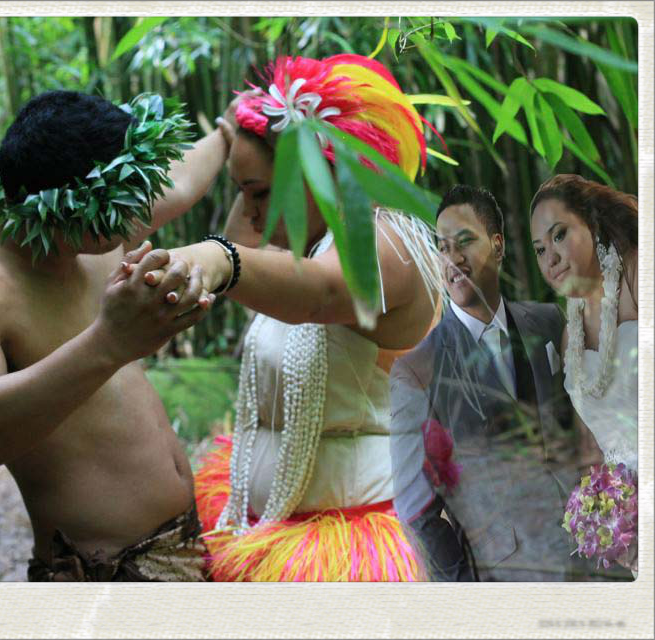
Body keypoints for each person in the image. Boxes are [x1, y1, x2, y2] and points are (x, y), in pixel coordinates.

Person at [134, 54, 449, 581]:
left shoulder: (387, 239)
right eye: (243, 192)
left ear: (315, 174)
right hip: (274, 527)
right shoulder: (304, 248)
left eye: (259, 193)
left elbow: (319, 294)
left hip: (356, 543)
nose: (250, 209)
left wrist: (220, 260)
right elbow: (238, 245)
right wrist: (232, 130)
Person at [0, 90, 237, 581]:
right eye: (117, 203)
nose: (132, 213)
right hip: (103, 578)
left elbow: (183, 180)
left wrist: (228, 131)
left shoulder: (93, 235)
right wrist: (108, 344)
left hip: (186, 544)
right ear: (59, 207)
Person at [390, 185, 587, 581]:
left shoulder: (547, 322)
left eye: (465, 241)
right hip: (507, 574)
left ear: (498, 246)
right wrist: (468, 591)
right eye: (443, 248)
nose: (453, 259)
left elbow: (582, 427)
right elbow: (415, 509)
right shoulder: (417, 370)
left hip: (587, 552)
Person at [530, 174, 638, 575]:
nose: (550, 258)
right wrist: (606, 517)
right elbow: (592, 451)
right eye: (540, 249)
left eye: (559, 235)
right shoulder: (567, 336)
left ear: (591, 224)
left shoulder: (637, 277)